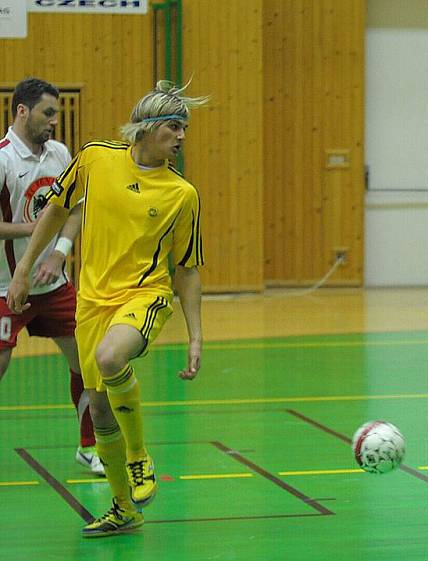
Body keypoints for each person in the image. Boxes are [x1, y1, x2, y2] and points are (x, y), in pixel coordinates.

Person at [6, 80, 207, 537]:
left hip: (145, 296)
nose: (181, 136)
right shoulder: (95, 157)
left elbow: (188, 269)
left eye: (184, 129)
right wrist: (23, 272)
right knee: (98, 410)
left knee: (111, 357)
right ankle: (124, 508)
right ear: (147, 126)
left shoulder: (182, 194)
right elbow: (55, 211)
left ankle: (139, 457)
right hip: (92, 300)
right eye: (174, 126)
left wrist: (196, 335)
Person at [0, 78, 103, 476]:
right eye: (48, 113)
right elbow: (37, 220)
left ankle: (89, 446)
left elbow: (75, 209)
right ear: (22, 111)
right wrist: (33, 230)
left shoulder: (60, 154)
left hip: (53, 286)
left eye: (56, 114)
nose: (54, 122)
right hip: (6, 286)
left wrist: (59, 253)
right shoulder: (4, 159)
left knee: (89, 362)